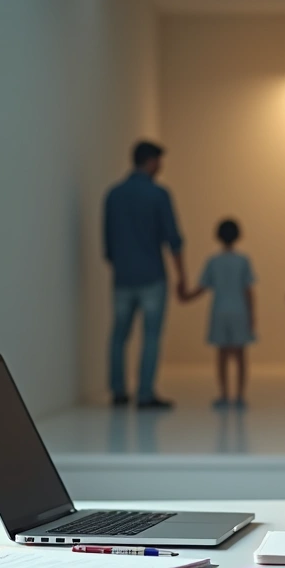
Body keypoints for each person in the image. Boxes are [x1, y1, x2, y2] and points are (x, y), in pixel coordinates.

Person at [103, 141, 186, 410]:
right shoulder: (158, 194)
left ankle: (118, 392)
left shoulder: (113, 194)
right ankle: (145, 393)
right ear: (150, 161)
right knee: (150, 336)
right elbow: (173, 239)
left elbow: (107, 243)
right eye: (159, 161)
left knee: (119, 335)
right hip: (152, 275)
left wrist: (120, 264)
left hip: (123, 277)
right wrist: (182, 276)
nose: (160, 167)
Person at [182, 219, 256, 408]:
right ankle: (240, 395)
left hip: (219, 311)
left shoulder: (213, 261)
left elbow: (202, 287)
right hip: (239, 311)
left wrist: (186, 296)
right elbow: (249, 291)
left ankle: (224, 394)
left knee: (222, 354)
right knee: (240, 355)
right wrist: (252, 316)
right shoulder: (243, 260)